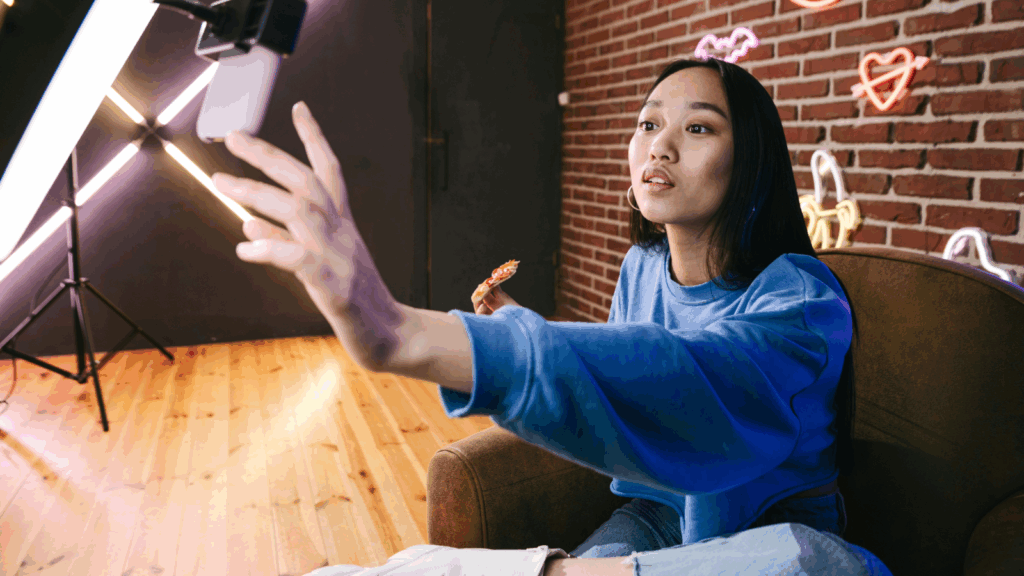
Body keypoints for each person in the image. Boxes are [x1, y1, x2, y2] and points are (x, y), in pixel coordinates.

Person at [211, 56, 892, 574]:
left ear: (752, 163)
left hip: (773, 544)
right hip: (657, 521)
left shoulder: (803, 297)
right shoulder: (643, 266)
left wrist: (407, 333)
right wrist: (524, 327)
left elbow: (694, 384)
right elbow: (624, 369)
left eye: (700, 127)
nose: (660, 145)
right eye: (649, 122)